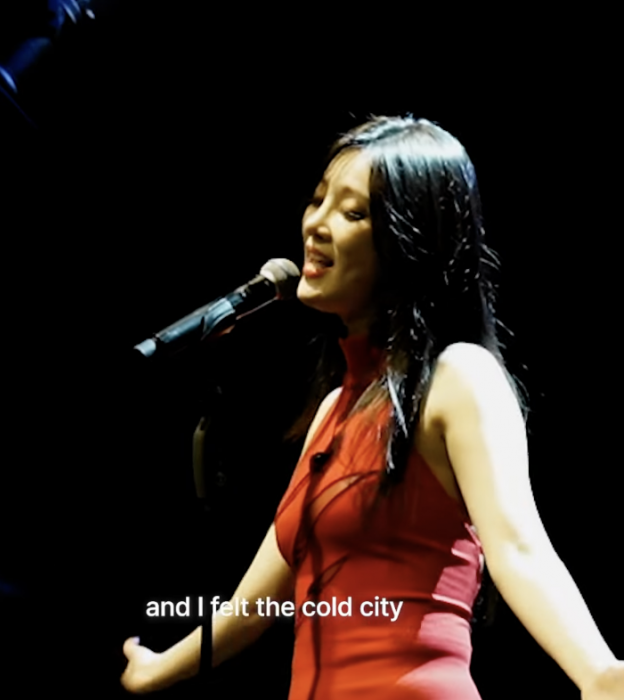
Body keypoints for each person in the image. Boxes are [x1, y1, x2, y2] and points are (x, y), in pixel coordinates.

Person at [121, 116, 624, 698]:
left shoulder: (458, 378)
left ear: (412, 241)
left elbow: (518, 548)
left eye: (353, 212)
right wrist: (158, 668)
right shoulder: (334, 409)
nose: (317, 225)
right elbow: (255, 605)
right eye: (318, 201)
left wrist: (598, 674)